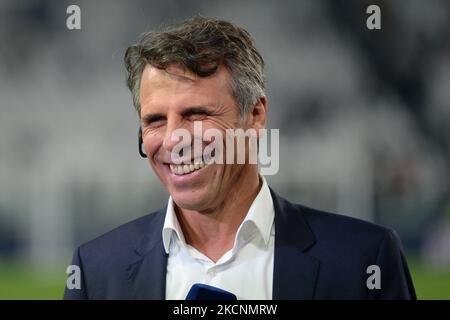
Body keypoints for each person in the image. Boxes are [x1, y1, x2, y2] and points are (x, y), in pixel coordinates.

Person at [64, 16, 416, 300]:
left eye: (196, 114)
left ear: (255, 115)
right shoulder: (96, 272)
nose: (173, 139)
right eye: (155, 120)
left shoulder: (364, 260)